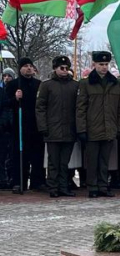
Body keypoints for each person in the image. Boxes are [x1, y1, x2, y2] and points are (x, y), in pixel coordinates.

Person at [76, 51, 120, 198]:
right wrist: (82, 129)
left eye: (106, 64)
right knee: (92, 161)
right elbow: (81, 107)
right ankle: (92, 187)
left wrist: (119, 127)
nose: (104, 67)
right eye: (100, 64)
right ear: (94, 65)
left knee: (105, 161)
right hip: (92, 128)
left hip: (109, 128)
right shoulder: (86, 83)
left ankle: (103, 186)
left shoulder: (115, 83)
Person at [36, 56, 79, 198]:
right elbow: (40, 107)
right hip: (52, 129)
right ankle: (53, 187)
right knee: (53, 162)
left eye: (67, 68)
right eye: (62, 68)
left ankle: (63, 186)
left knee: (64, 162)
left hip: (69, 129)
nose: (65, 71)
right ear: (55, 68)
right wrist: (43, 127)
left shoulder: (74, 85)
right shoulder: (47, 85)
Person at [5, 58, 45, 193]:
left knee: (37, 155)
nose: (29, 68)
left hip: (35, 125)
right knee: (19, 155)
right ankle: (19, 181)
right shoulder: (13, 85)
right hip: (19, 125)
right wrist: (15, 99)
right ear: (20, 68)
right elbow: (6, 104)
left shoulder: (39, 84)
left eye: (30, 66)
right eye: (25, 66)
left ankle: (37, 181)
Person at [0, 67, 15, 189]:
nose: (6, 78)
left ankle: (7, 178)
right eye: (5, 76)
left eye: (9, 76)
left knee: (8, 155)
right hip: (3, 126)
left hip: (8, 127)